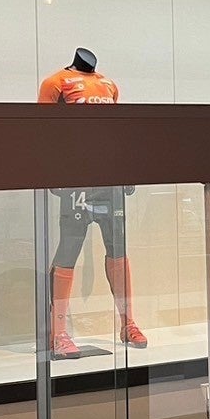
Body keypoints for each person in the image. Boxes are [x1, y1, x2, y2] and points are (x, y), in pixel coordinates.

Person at [38, 49, 148, 358]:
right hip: (75, 183)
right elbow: (43, 134)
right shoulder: (55, 83)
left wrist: (126, 170)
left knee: (118, 251)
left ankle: (128, 323)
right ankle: (58, 333)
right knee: (68, 251)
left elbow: (115, 134)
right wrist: (51, 174)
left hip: (108, 183)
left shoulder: (109, 85)